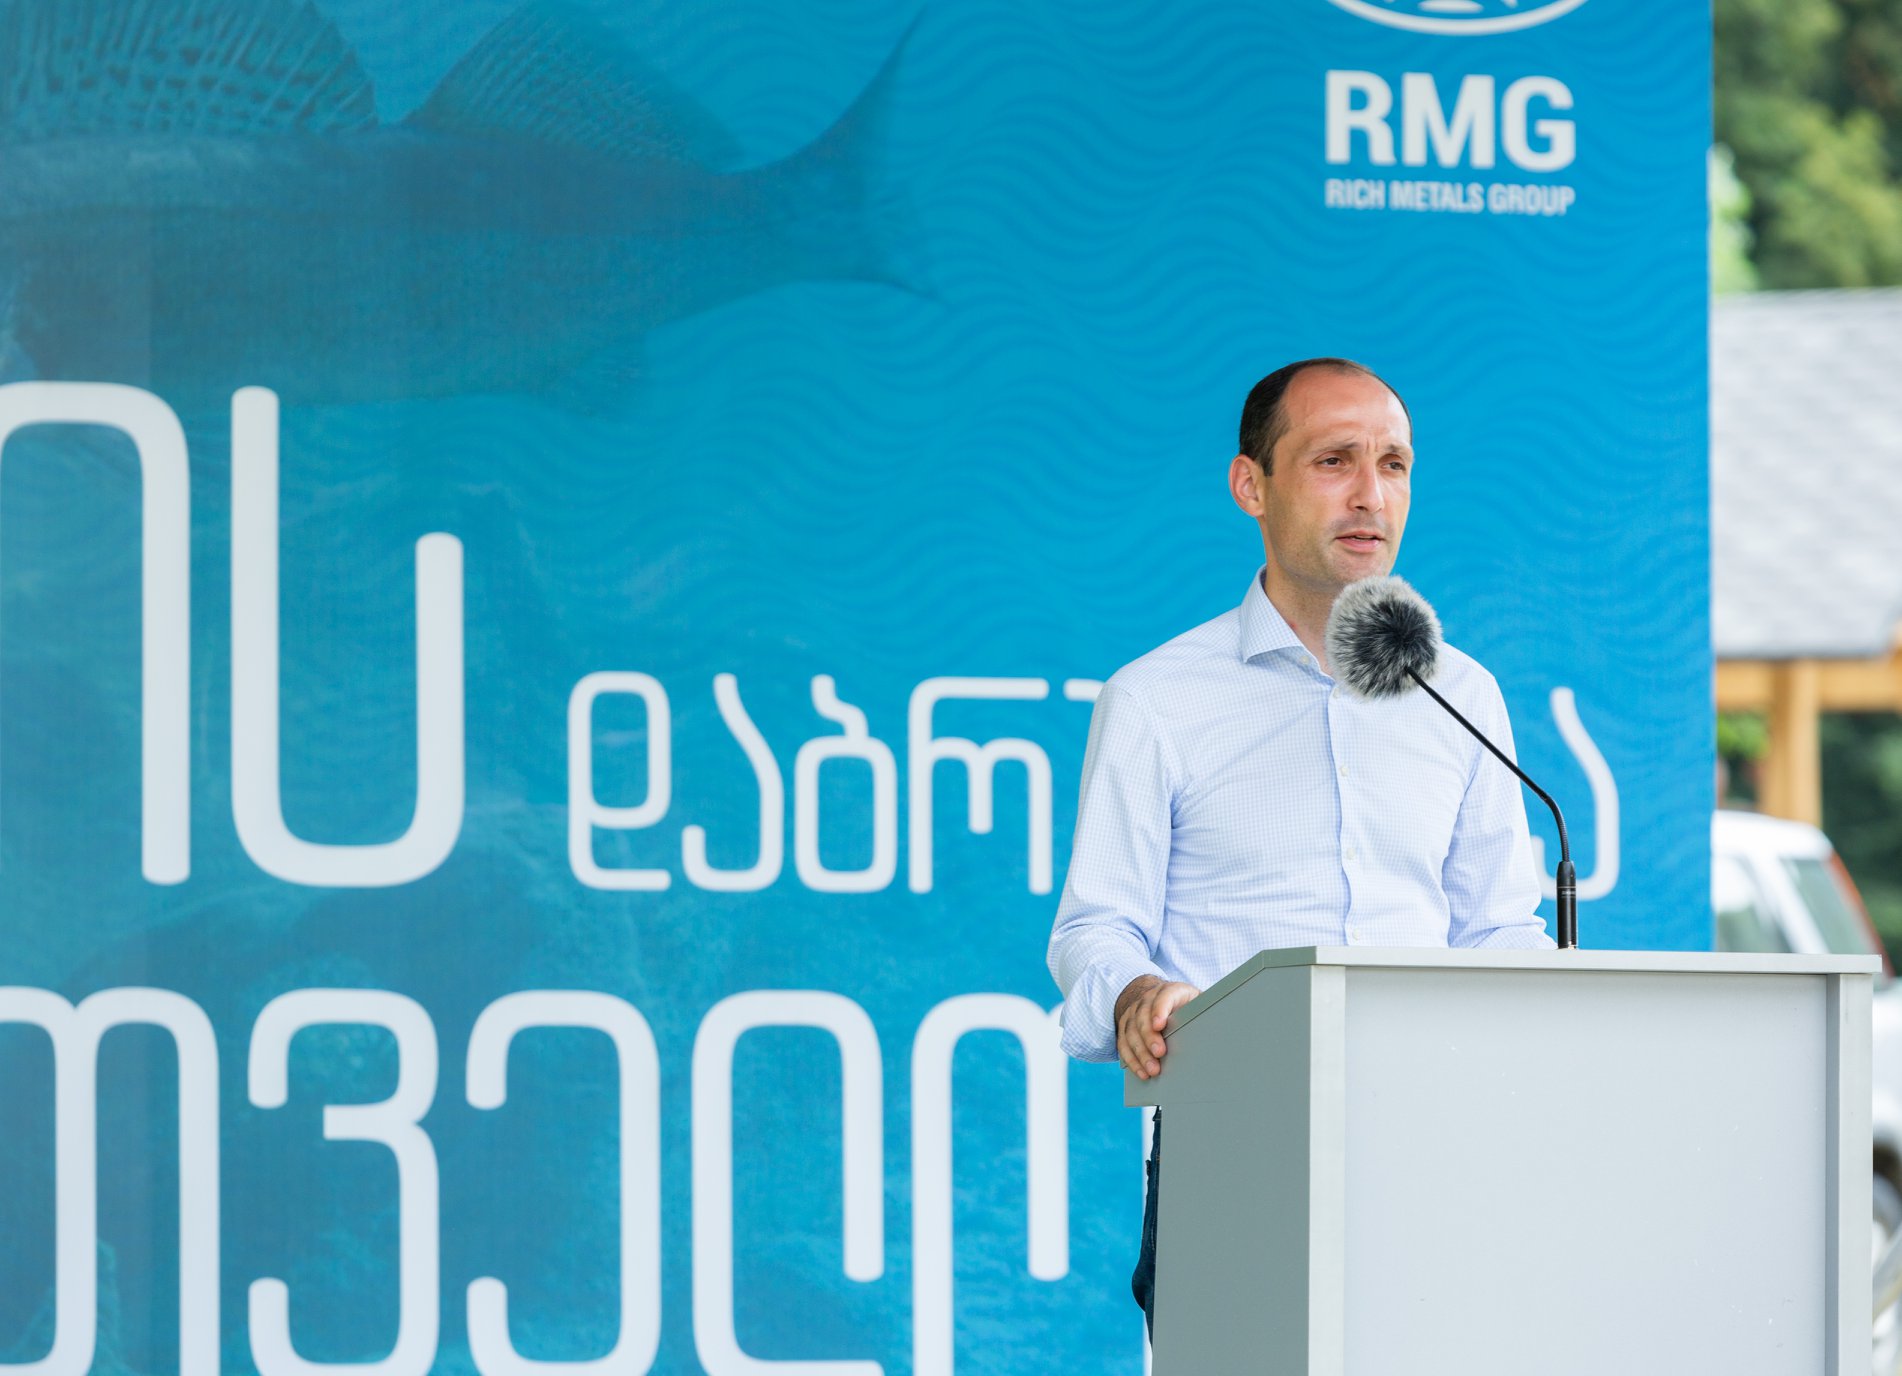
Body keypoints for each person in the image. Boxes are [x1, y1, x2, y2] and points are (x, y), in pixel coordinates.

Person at [1045, 357, 1554, 1338]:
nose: (1371, 494)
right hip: (1235, 1148)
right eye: (1334, 461)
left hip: (1440, 1148)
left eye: (1394, 464)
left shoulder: (1463, 695)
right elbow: (1093, 926)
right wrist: (1135, 990)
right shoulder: (1157, 699)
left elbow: (1498, 927)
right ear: (1252, 485)